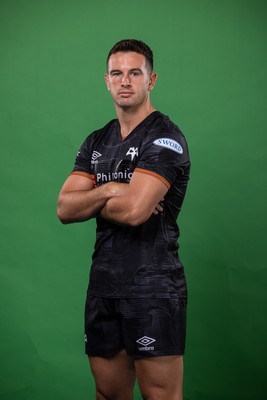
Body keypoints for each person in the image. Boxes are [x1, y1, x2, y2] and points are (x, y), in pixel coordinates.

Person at [57, 39, 190, 400]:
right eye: (117, 73)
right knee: (108, 392)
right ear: (107, 80)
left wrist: (96, 196)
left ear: (152, 79)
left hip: (153, 287)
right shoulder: (96, 141)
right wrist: (112, 188)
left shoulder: (165, 137)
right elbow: (65, 209)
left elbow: (134, 212)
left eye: (135, 72)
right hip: (103, 287)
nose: (125, 80)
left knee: (160, 396)